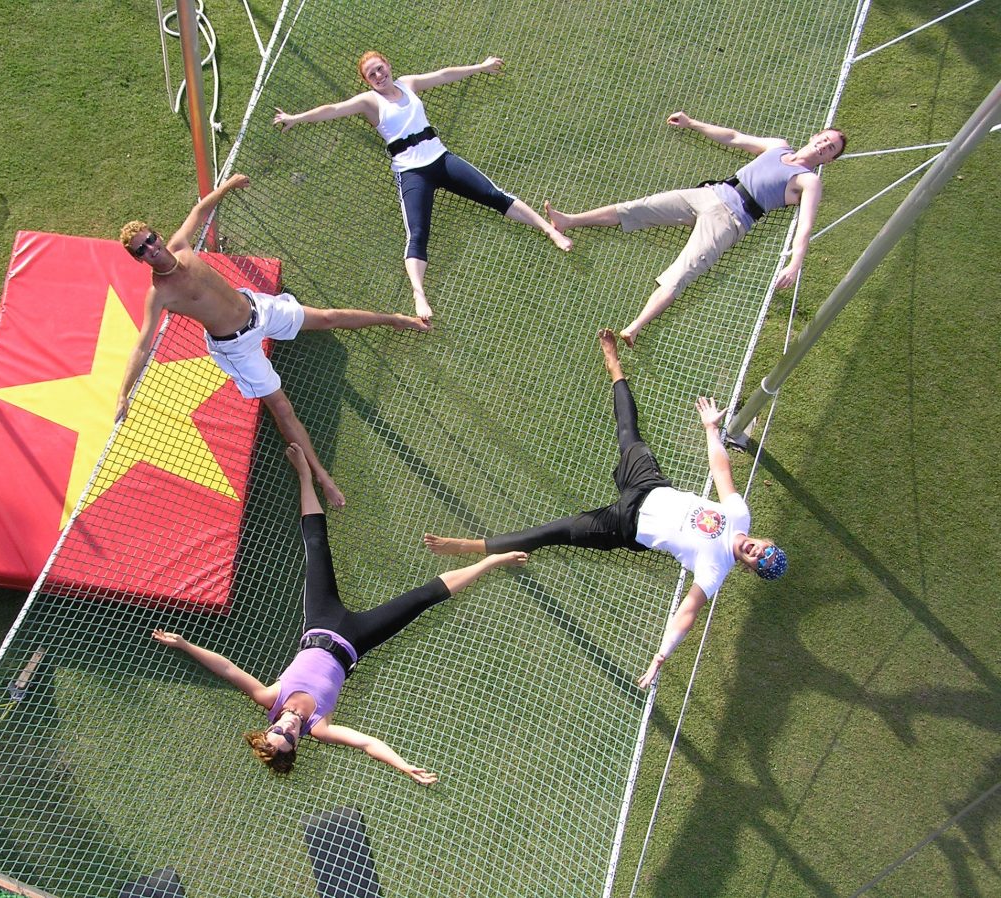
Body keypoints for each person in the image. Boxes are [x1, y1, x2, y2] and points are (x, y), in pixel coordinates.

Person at [423, 329, 788, 689]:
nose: (757, 552)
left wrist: (661, 654)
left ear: (750, 567)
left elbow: (687, 614)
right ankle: (614, 363)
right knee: (629, 431)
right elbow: (721, 472)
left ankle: (474, 546)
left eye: (759, 561)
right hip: (649, 485)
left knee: (555, 531)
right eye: (765, 549)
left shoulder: (715, 569)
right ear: (764, 540)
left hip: (623, 525)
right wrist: (710, 429)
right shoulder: (739, 516)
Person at [152, 443, 526, 783]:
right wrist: (402, 765)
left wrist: (185, 644)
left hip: (320, 622)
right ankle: (492, 560)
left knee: (316, 546)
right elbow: (366, 743)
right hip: (357, 640)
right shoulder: (320, 727)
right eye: (290, 741)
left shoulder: (271, 698)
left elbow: (227, 668)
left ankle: (304, 475)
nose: (288, 730)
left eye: (278, 733)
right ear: (297, 745)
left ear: (268, 728)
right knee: (424, 597)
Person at [118, 174, 430, 508]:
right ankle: (322, 478)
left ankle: (395, 320)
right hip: (236, 347)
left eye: (150, 239)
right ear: (138, 259)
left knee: (328, 318)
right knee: (281, 407)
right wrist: (123, 394)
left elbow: (199, 210)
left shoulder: (181, 246)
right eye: (142, 249)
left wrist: (226, 187)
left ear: (158, 234)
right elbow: (142, 345)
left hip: (258, 308)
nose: (151, 248)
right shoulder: (159, 294)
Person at [274, 51, 572, 322]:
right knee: (417, 234)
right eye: (372, 75)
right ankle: (419, 293)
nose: (379, 76)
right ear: (367, 81)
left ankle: (550, 231)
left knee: (494, 195)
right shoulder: (369, 102)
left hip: (441, 159)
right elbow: (332, 108)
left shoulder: (408, 84)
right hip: (412, 172)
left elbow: (444, 74)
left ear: (388, 65)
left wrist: (480, 67)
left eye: (380, 69)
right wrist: (295, 118)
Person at [544, 113, 846, 346]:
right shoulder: (778, 146)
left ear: (829, 160)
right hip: (709, 194)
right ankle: (569, 220)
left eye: (830, 149)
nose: (824, 146)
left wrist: (795, 262)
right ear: (816, 135)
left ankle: (634, 328)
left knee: (682, 272)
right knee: (638, 207)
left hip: (730, 221)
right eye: (825, 139)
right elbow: (734, 137)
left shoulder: (809, 181)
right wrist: (692, 123)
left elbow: (805, 224)